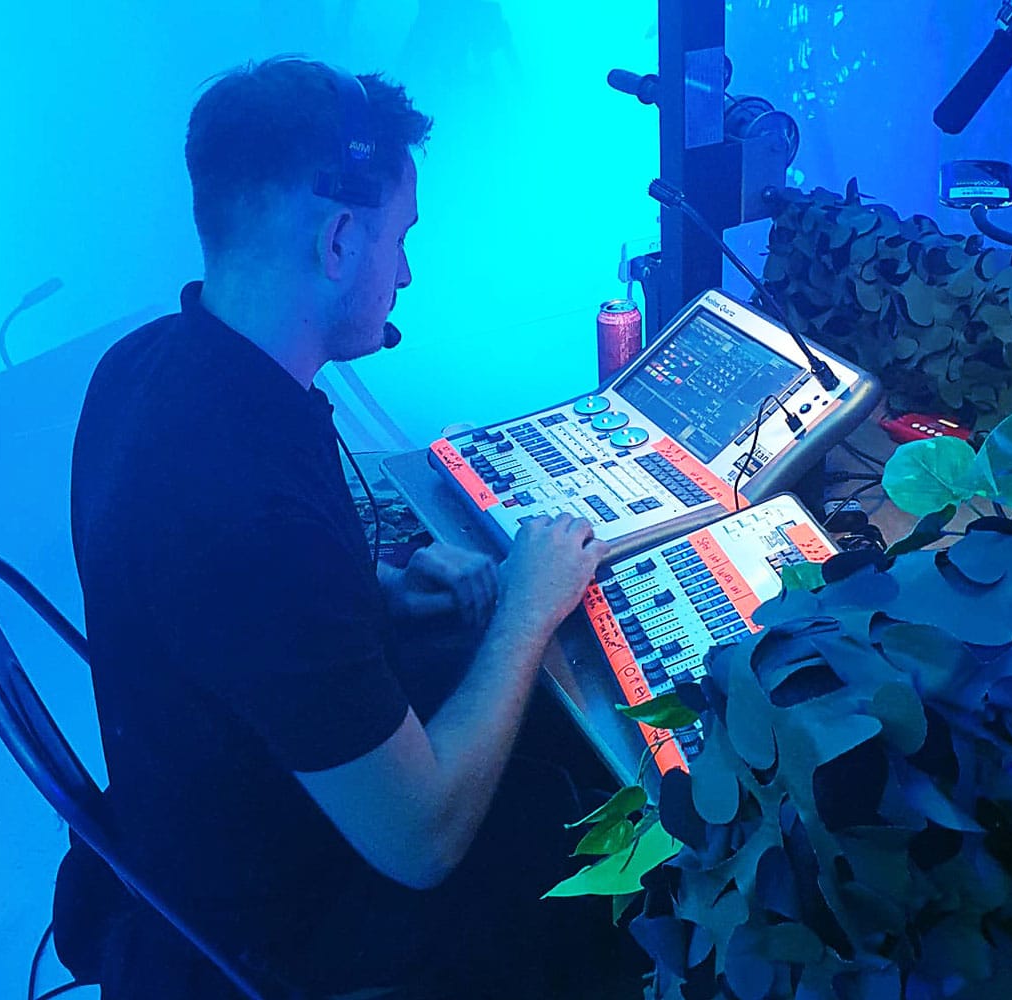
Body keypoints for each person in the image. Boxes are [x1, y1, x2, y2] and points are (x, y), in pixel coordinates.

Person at [51, 56, 645, 998]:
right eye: (399, 239)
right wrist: (526, 611)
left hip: (197, 816)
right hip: (285, 922)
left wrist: (378, 593)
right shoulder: (248, 518)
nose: (404, 272)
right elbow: (422, 841)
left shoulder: (146, 365)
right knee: (613, 823)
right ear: (336, 241)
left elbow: (223, 615)